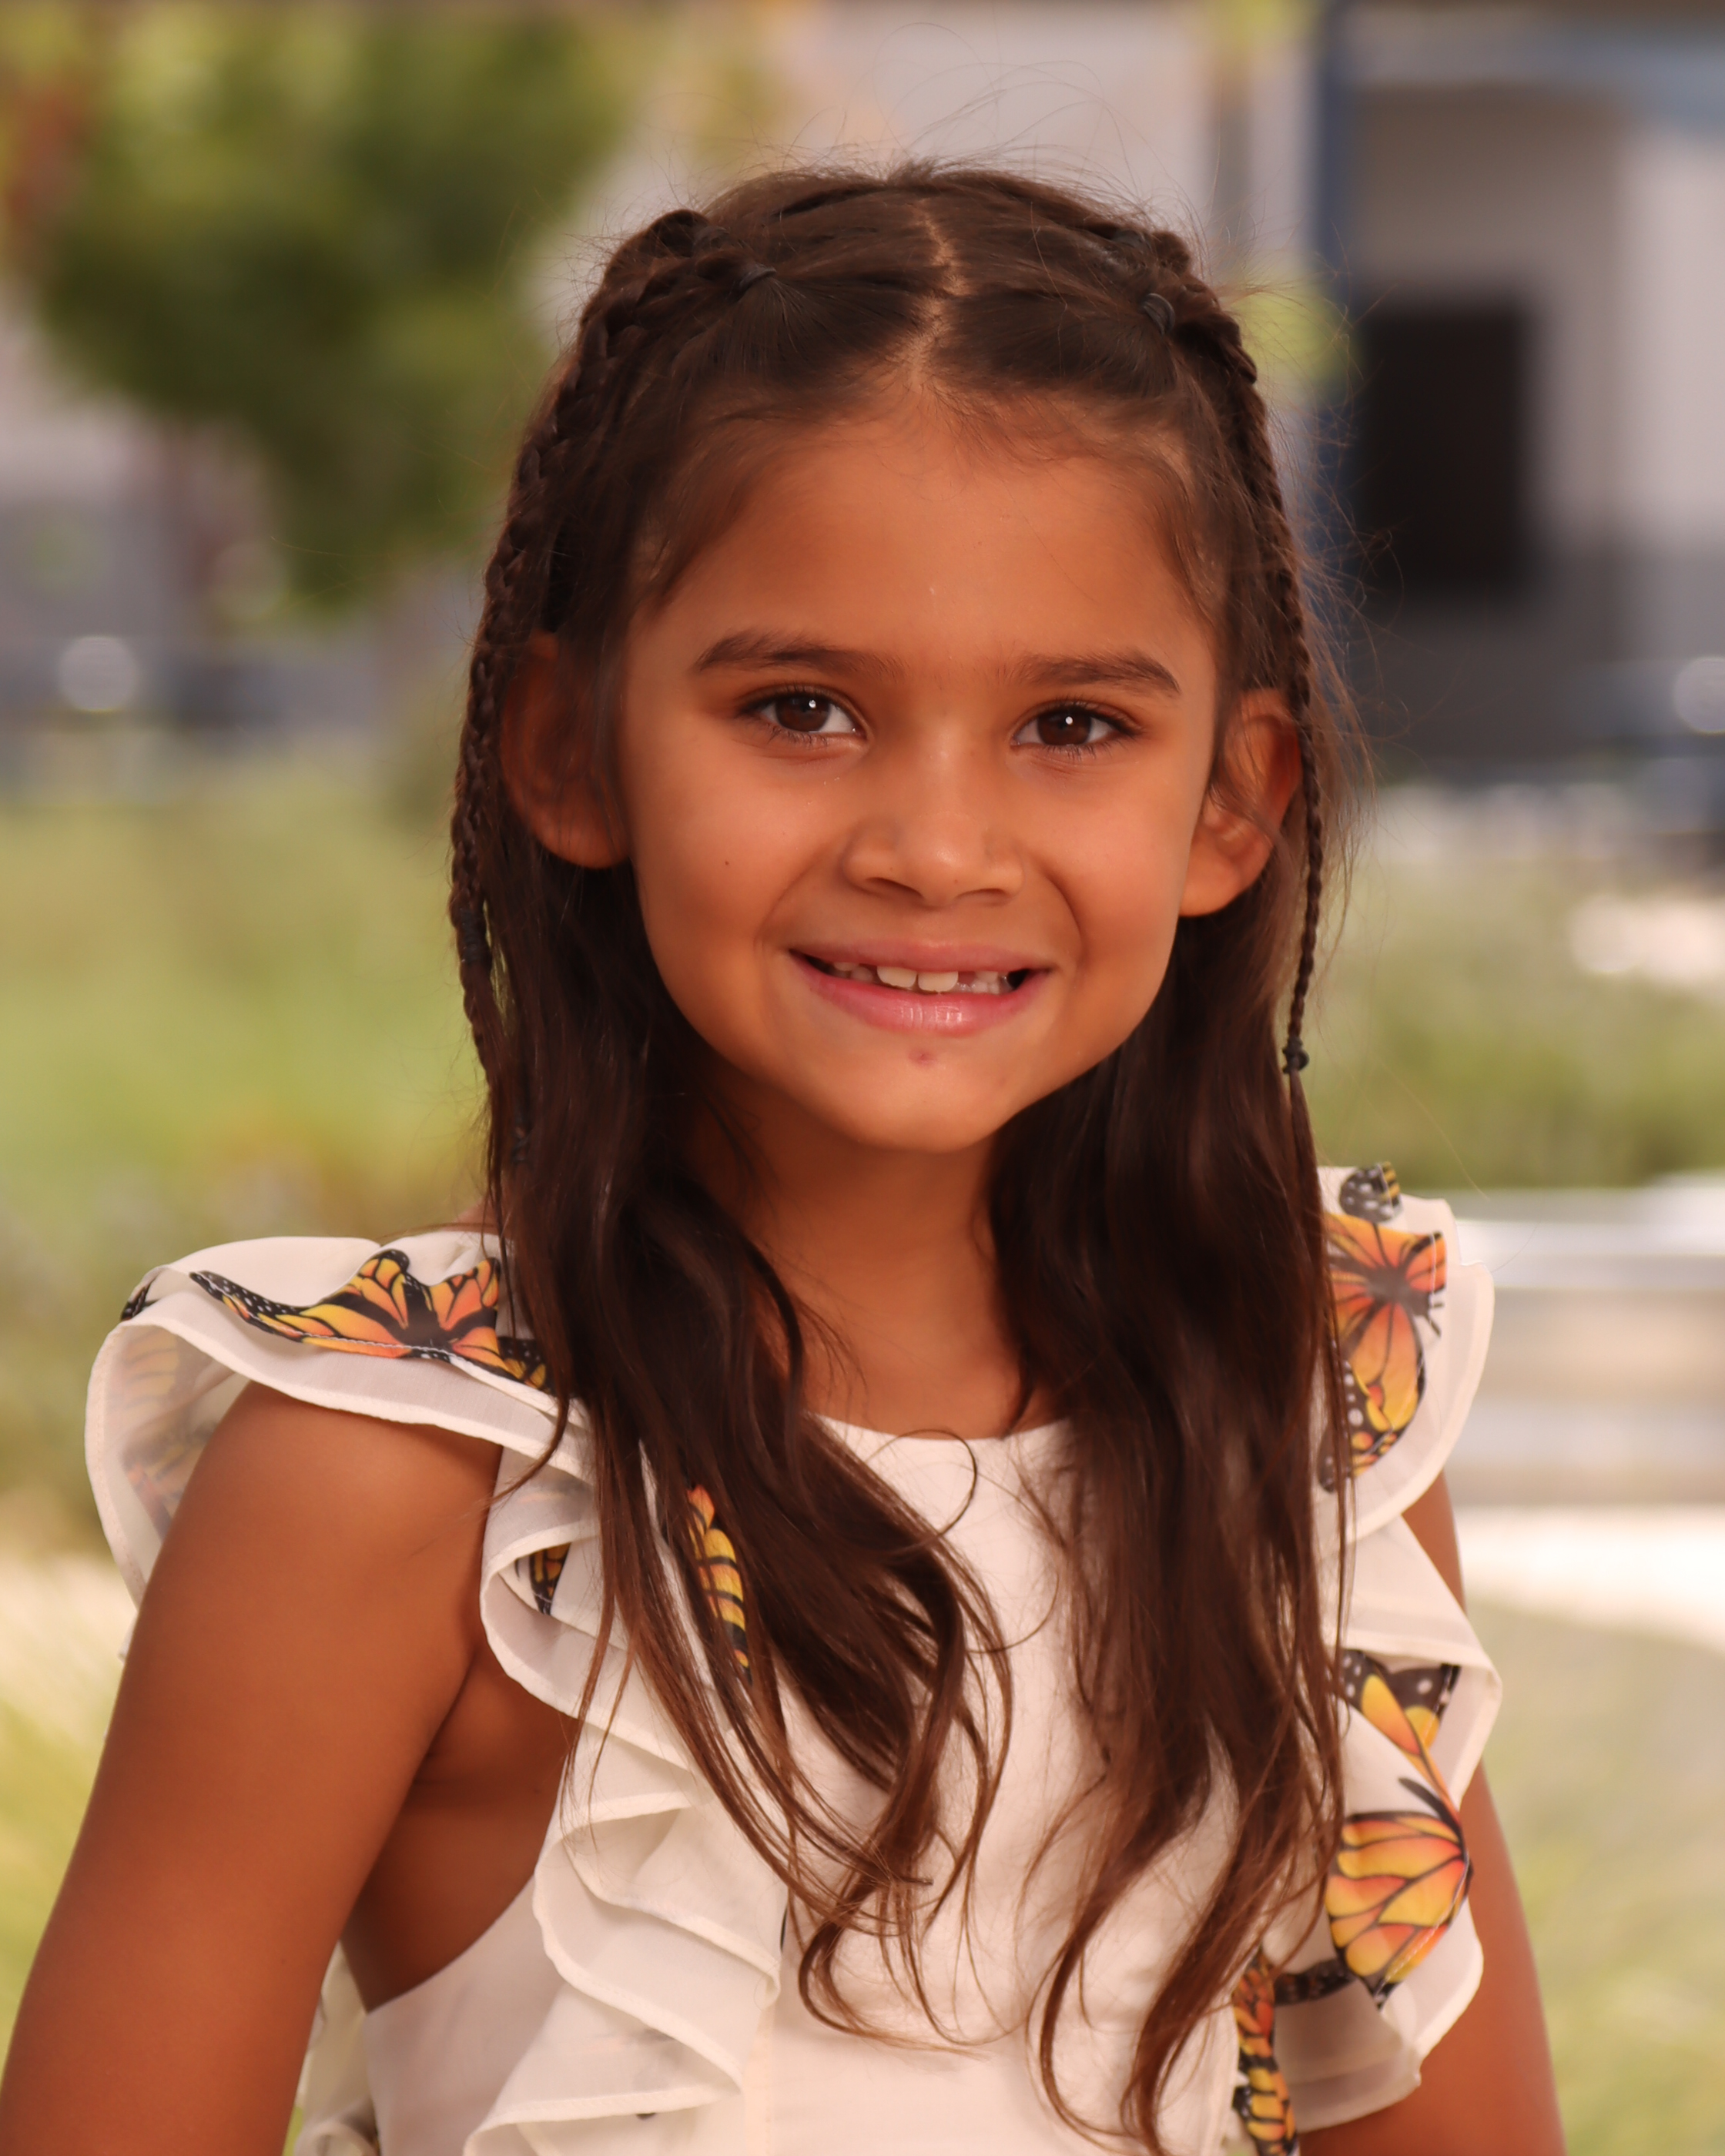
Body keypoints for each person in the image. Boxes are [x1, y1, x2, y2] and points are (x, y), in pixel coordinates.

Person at [0, 167, 1563, 2156]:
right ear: (570, 749)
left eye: (1072, 724)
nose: (935, 848)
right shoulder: (398, 1478)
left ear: (1230, 807)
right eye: (802, 709)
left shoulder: (1311, 1414)